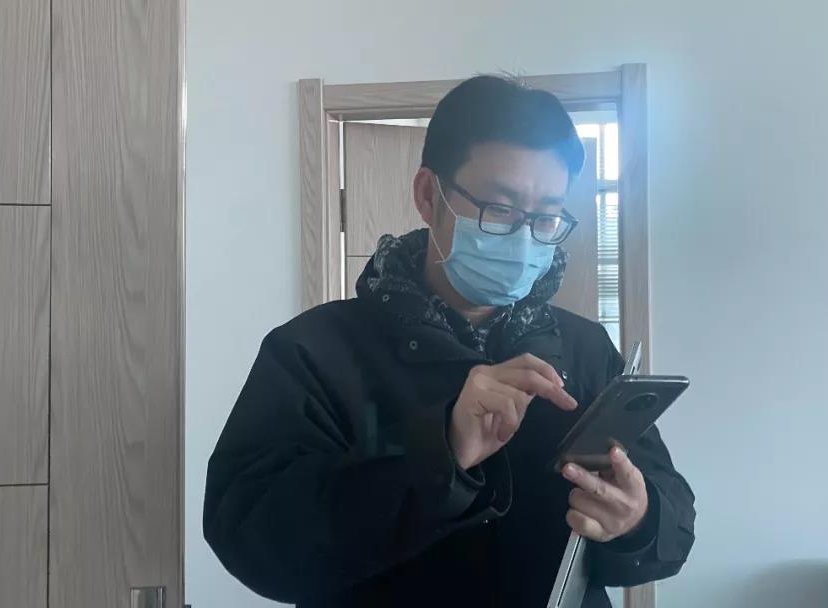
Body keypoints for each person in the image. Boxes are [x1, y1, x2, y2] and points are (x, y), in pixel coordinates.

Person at [203, 75, 696, 608]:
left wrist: (640, 520)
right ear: (427, 195)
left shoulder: (585, 348)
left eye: (547, 217)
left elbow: (673, 521)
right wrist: (442, 451)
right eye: (499, 209)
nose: (525, 237)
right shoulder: (314, 351)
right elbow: (251, 538)